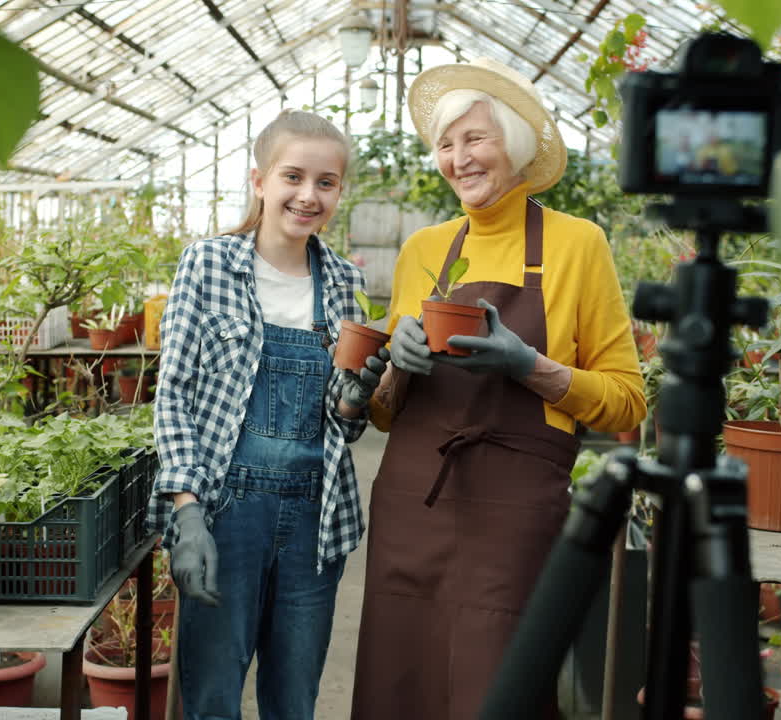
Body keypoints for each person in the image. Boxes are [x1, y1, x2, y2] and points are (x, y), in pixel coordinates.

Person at [350, 58, 647, 720]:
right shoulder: (423, 249)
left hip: (513, 511)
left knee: (499, 685)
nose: (459, 158)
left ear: (512, 143)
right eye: (447, 145)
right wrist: (395, 366)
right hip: (413, 504)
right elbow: (385, 416)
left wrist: (528, 364)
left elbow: (627, 398)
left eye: (475, 138)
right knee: (399, 683)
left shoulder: (577, 245)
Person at [148, 109, 389, 720]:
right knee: (212, 696)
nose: (308, 196)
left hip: (315, 516)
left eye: (326, 182)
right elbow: (174, 391)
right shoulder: (208, 265)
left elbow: (344, 422)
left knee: (293, 698)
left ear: (339, 190)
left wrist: (356, 395)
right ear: (260, 181)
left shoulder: (341, 280)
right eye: (293, 177)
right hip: (227, 513)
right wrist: (188, 512)